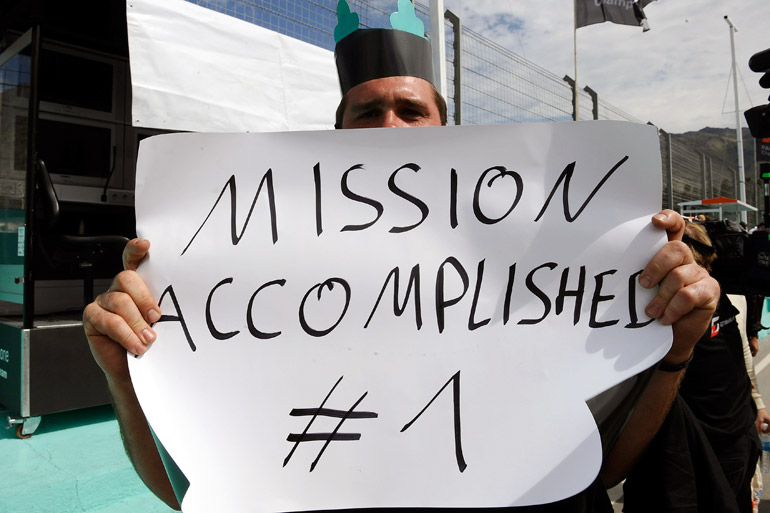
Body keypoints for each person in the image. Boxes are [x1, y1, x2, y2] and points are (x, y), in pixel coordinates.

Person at [82, 2, 719, 511]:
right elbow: (186, 492)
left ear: (450, 135)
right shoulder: (256, 276)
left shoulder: (541, 265)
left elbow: (598, 468)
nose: (390, 129)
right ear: (333, 140)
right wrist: (121, 371)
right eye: (368, 112)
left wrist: (678, 348)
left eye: (411, 111)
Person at [623, 222, 759, 513]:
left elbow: (742, 357)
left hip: (740, 438)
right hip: (685, 448)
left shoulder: (732, 296)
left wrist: (756, 403)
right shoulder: (651, 308)